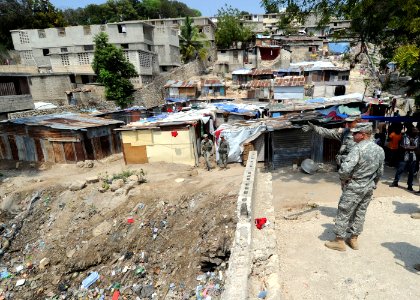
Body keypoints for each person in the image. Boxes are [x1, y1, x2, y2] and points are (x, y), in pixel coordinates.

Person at [325, 123, 385, 251]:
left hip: (354, 186)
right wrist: (373, 183)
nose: (352, 135)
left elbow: (345, 169)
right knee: (360, 212)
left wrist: (343, 180)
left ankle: (339, 241)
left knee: (344, 211)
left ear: (363, 135)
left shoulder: (357, 149)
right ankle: (353, 239)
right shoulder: (380, 150)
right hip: (368, 187)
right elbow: (380, 172)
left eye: (355, 133)